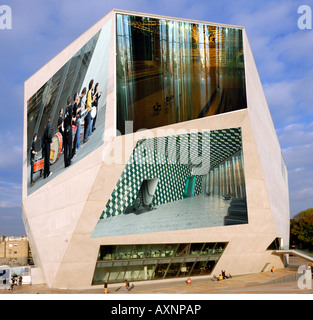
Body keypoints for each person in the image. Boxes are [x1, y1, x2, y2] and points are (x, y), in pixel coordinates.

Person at [63, 96, 75, 168]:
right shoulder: (70, 108)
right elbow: (71, 118)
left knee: (66, 147)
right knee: (70, 145)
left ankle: (66, 163)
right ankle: (69, 160)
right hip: (69, 129)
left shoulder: (66, 109)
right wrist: (73, 119)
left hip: (65, 130)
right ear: (70, 102)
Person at [75, 87, 86, 152]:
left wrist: (81, 110)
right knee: (78, 132)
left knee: (78, 132)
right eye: (83, 94)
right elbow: (76, 110)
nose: (83, 95)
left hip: (79, 117)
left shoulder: (80, 99)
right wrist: (81, 108)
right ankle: (77, 147)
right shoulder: (79, 99)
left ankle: (77, 146)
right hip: (78, 118)